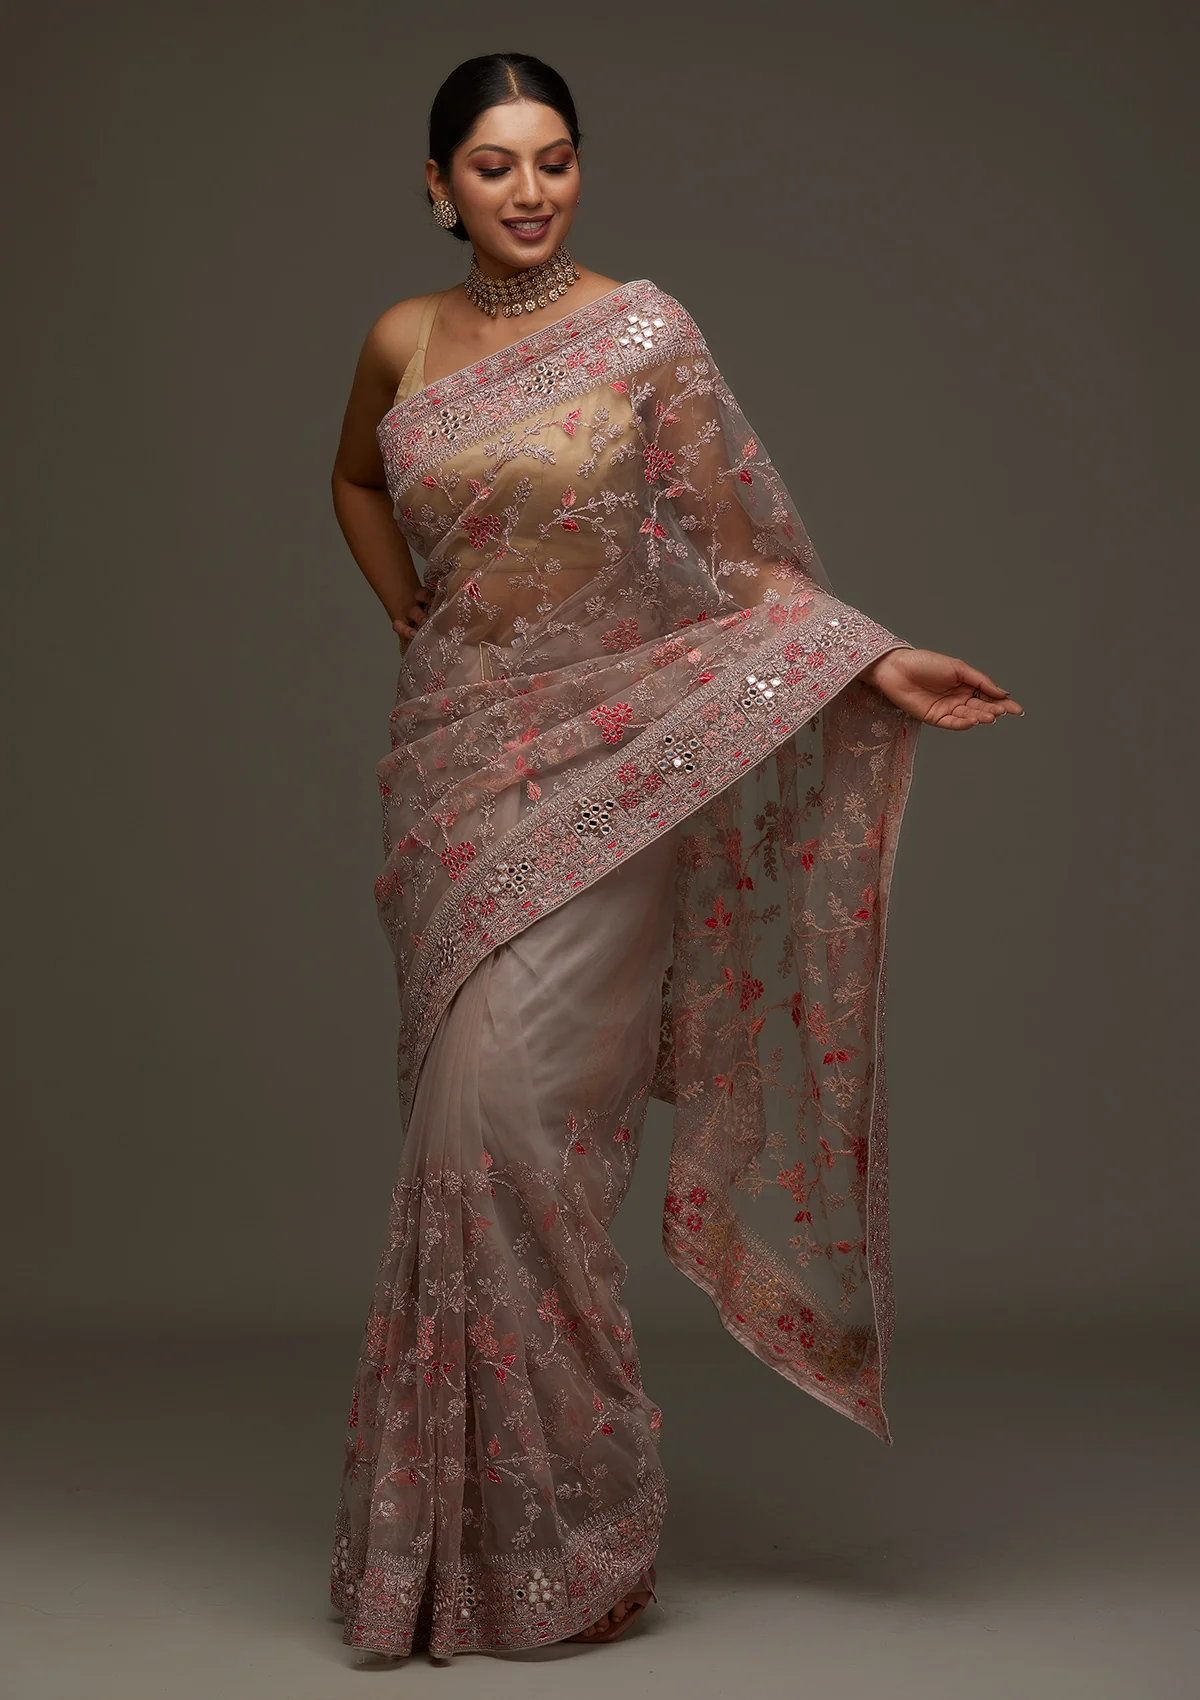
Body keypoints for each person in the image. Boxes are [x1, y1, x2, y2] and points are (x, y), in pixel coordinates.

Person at [327, 51, 1024, 1662]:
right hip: (457, 770)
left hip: (613, 767)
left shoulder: (645, 334)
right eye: (494, 166)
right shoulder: (401, 340)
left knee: (525, 1139)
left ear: (580, 169)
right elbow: (356, 478)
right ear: (438, 186)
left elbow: (741, 561)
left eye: (555, 159)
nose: (529, 192)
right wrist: (413, 617)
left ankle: (571, 1536)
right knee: (459, 1144)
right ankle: (463, 1554)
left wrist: (874, 658)